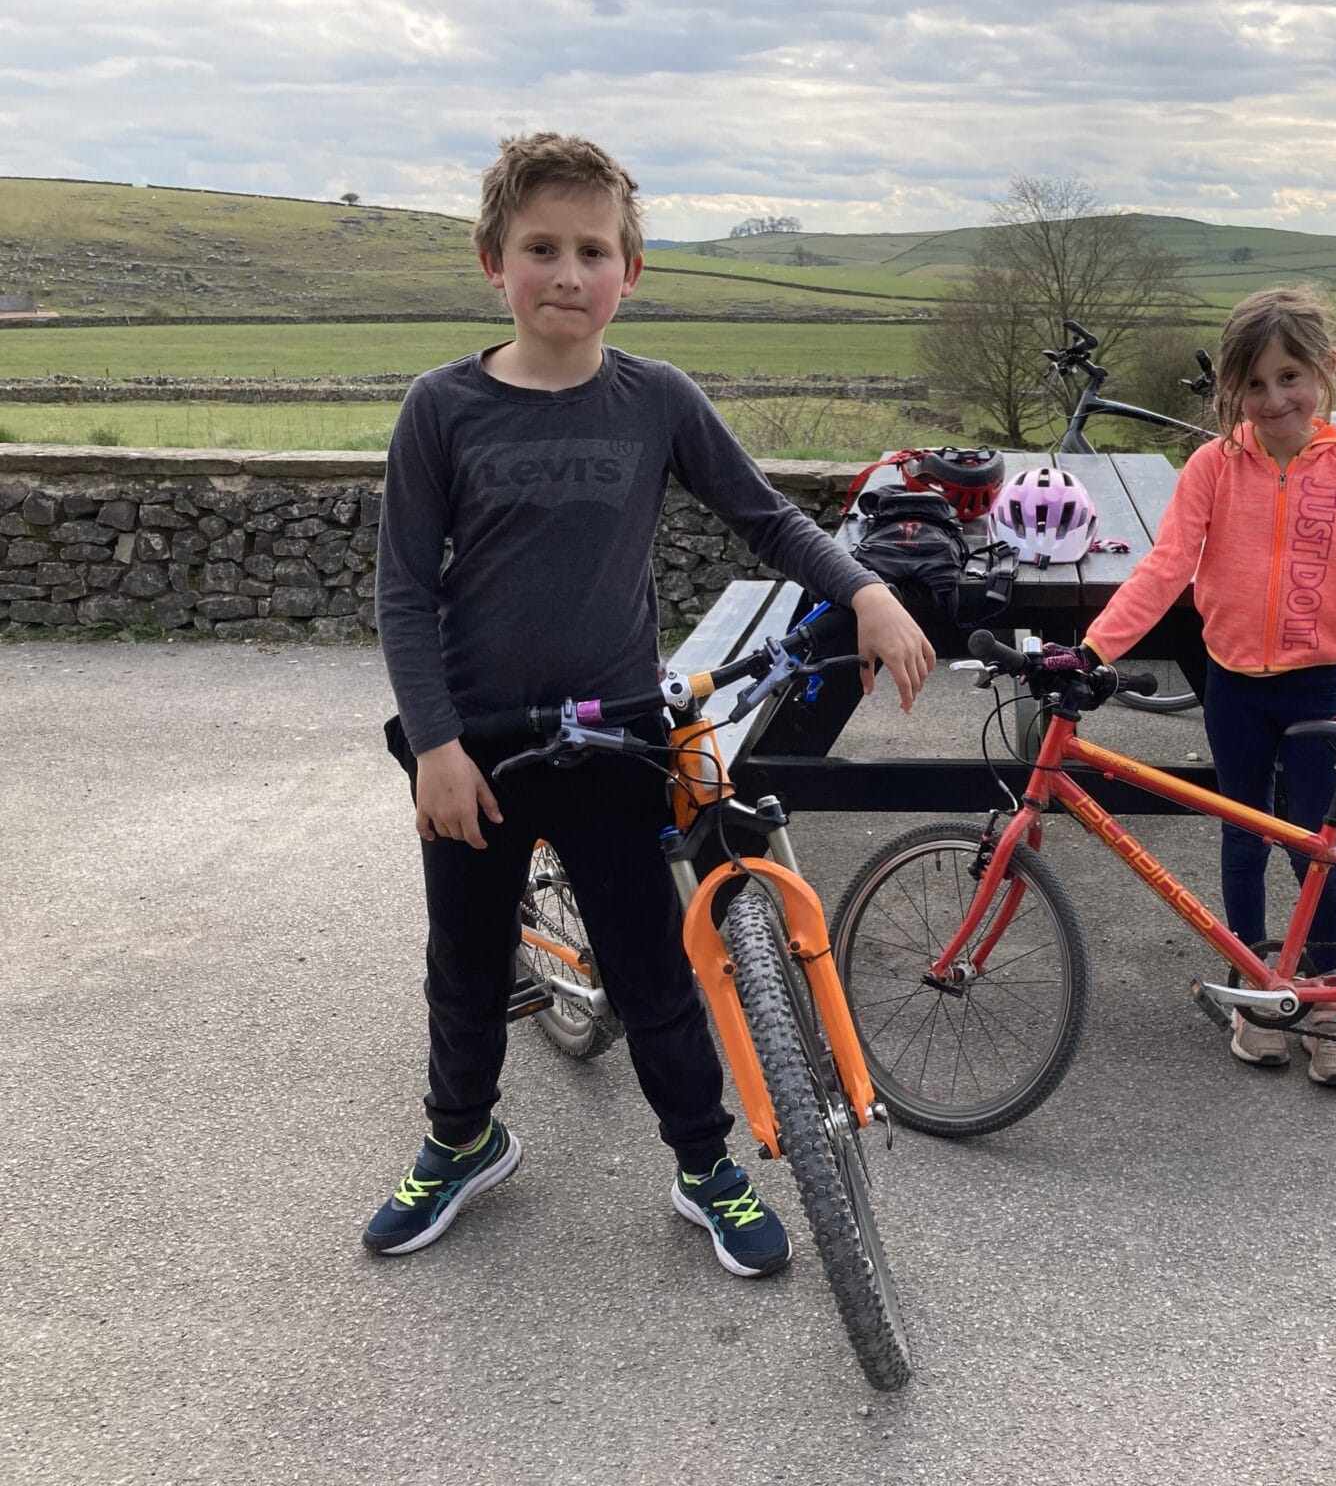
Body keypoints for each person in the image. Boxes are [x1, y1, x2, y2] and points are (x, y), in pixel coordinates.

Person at [365, 133, 934, 1274]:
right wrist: (432, 744)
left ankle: (703, 1165)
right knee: (465, 965)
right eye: (541, 249)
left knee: (653, 970)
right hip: (476, 748)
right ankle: (461, 1138)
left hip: (617, 740)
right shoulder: (441, 407)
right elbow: (402, 590)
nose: (566, 274)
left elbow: (769, 521)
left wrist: (865, 592)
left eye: (592, 250)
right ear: (493, 261)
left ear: (632, 268)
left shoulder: (656, 399)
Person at [1061, 285, 1336, 1086]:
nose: (1273, 399)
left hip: (1320, 682)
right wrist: (1092, 652)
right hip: (1233, 685)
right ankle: (1257, 991)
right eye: (1253, 385)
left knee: (1314, 847)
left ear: (1324, 372)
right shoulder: (1213, 468)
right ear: (1232, 390)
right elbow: (1163, 570)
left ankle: (1327, 999)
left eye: (1290, 377)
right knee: (1242, 833)